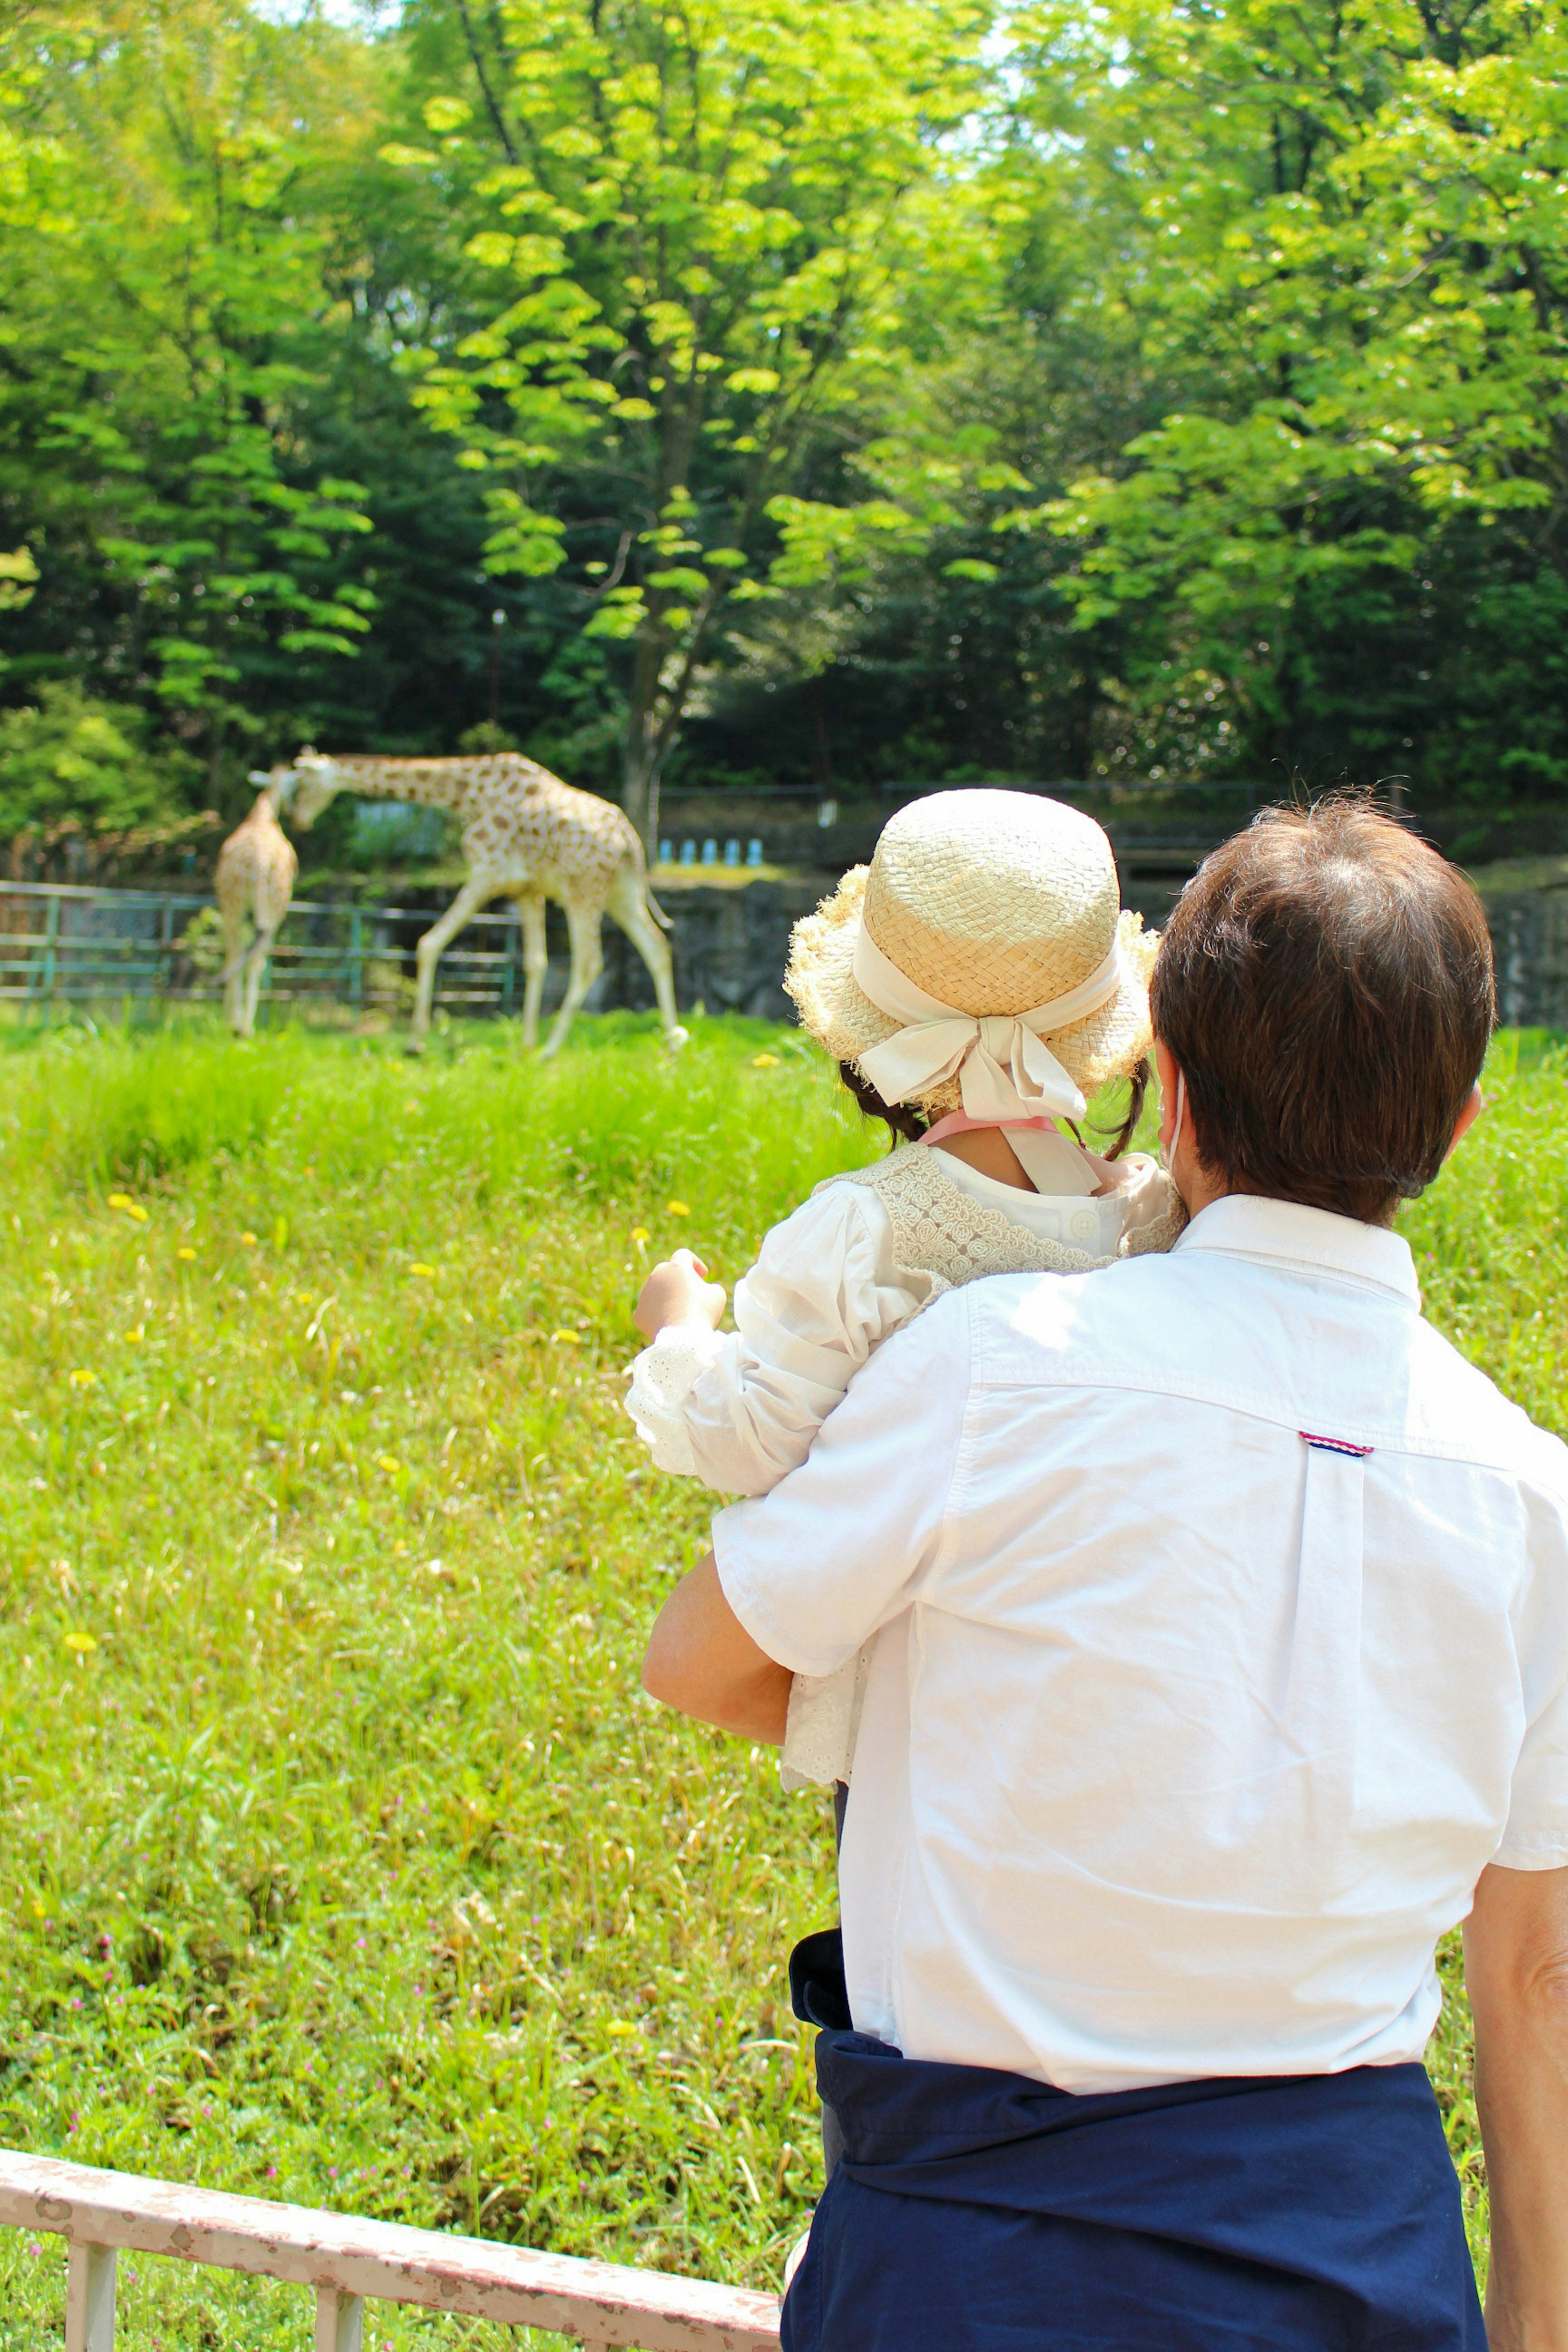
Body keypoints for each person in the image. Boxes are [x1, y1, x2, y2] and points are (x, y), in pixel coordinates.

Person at [642, 799, 1568, 2352]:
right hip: (1363, 2266)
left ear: (1177, 1083)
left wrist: (971, 1756)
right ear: (1463, 1126)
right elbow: (1533, 1969)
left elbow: (704, 1661)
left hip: (984, 2264)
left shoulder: (994, 1369)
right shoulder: (1537, 1495)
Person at [625, 786, 1180, 1791]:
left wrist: (677, 1333)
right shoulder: (1156, 1220)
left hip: (912, 1710)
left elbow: (751, 1442)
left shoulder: (864, 1231)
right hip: (1092, 1691)